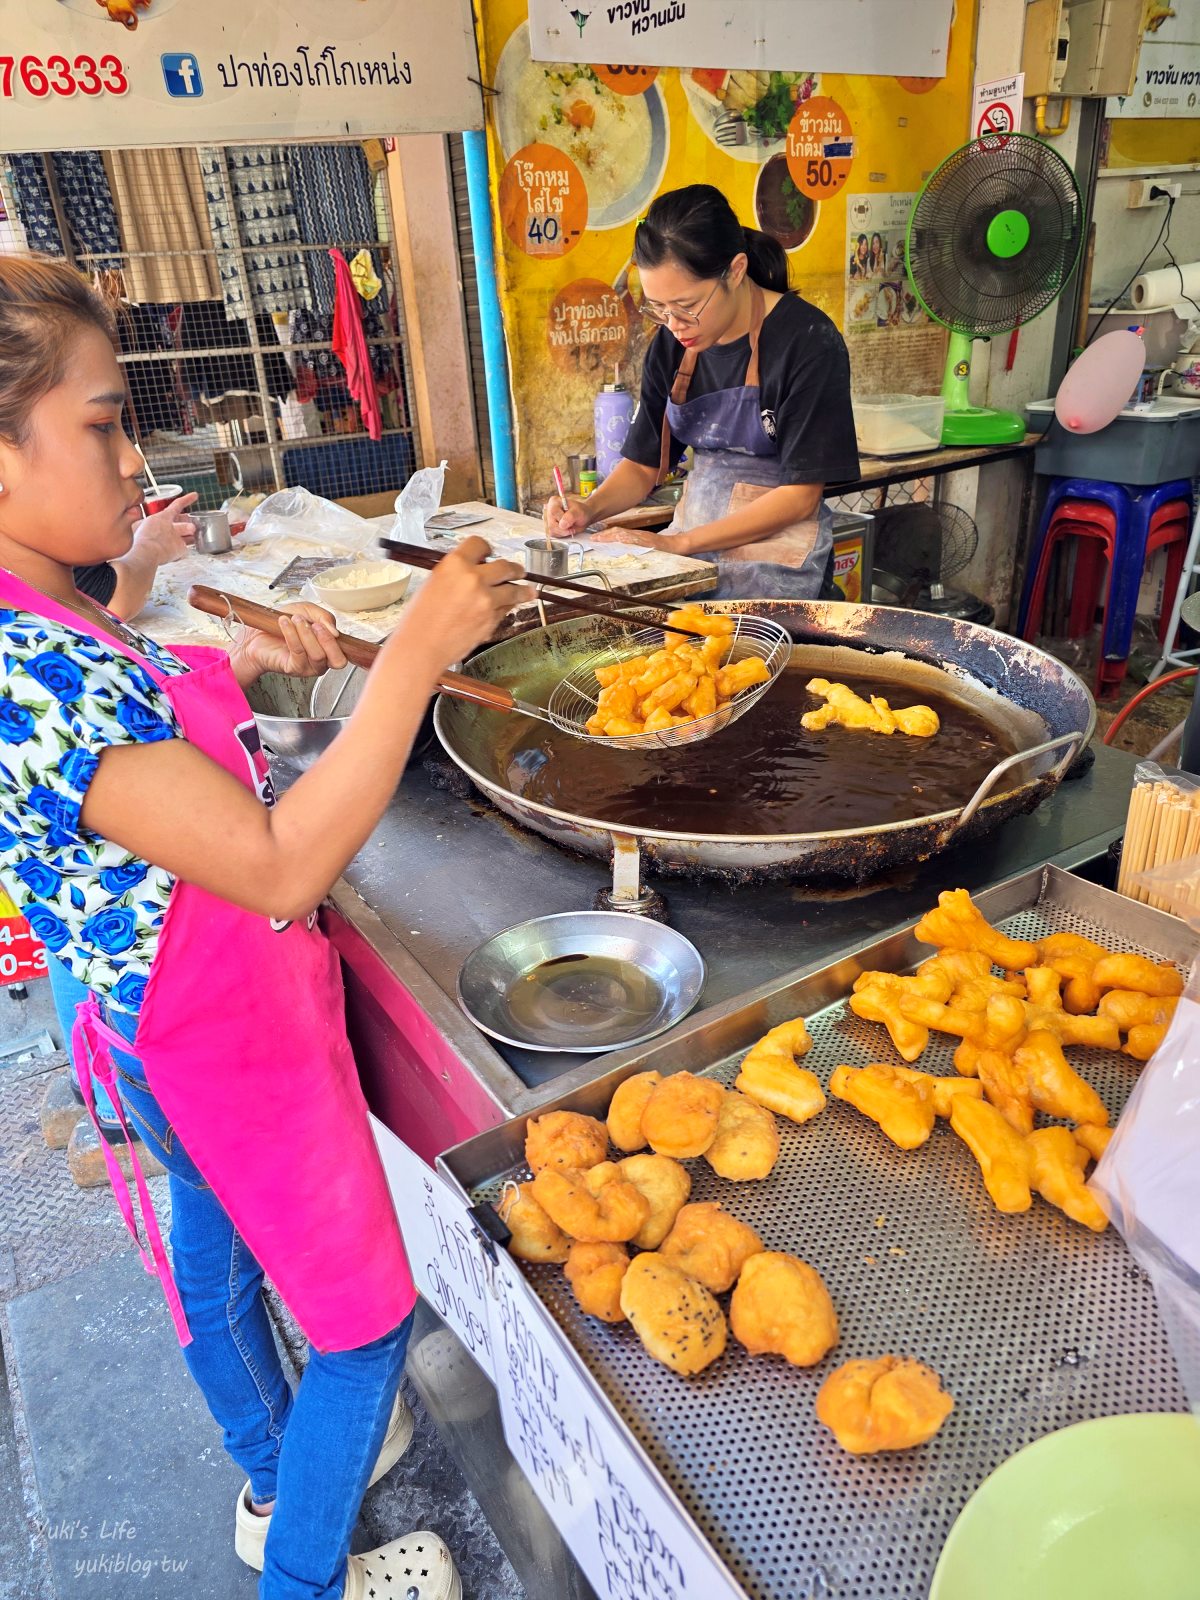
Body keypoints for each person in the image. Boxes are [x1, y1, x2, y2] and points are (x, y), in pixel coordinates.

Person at [0, 255, 528, 1600]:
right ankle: (304, 1569)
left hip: (155, 1037)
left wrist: (234, 659)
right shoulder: (25, 666)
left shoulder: (48, 606)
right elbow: (282, 863)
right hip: (223, 1037)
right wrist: (414, 649)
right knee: (362, 1327)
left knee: (218, 1249)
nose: (137, 462)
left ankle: (258, 1473)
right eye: (106, 423)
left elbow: (127, 694)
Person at [544, 185, 859, 600]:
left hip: (777, 566)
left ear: (735, 270)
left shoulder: (807, 341)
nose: (674, 324)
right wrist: (590, 508)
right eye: (658, 308)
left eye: (686, 305)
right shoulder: (672, 345)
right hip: (691, 548)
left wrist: (679, 545)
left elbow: (801, 497)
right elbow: (643, 467)